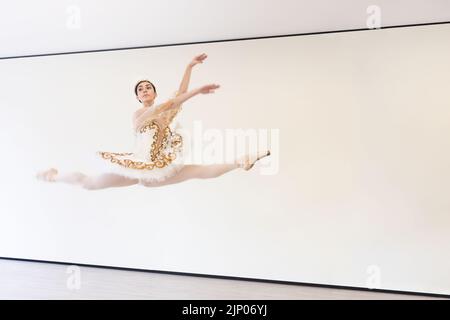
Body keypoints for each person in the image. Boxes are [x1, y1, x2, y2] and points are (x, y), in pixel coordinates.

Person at [36, 53, 270, 190]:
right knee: (88, 183)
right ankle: (53, 176)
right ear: (138, 97)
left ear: (154, 92)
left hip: (159, 167)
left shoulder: (166, 112)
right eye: (141, 89)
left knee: (200, 171)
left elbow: (177, 95)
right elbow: (170, 103)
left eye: (149, 87)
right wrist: (196, 91)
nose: (145, 89)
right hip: (137, 165)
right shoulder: (139, 115)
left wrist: (189, 67)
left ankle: (240, 162)